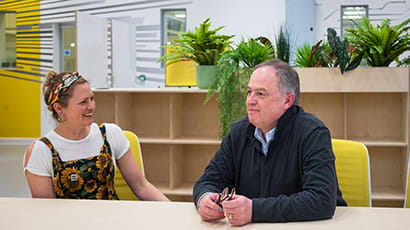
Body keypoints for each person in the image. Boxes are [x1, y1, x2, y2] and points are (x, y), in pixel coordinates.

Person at [193, 59, 346, 226]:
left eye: (260, 94)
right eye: (249, 92)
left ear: (287, 101)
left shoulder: (312, 133)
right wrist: (205, 198)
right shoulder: (239, 133)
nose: (250, 101)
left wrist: (254, 210)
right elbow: (208, 180)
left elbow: (321, 200)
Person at [23, 71, 169, 201]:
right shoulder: (42, 151)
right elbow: (46, 212)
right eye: (83, 102)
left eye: (92, 98)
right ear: (59, 108)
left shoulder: (110, 134)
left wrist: (173, 211)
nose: (92, 106)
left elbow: (141, 186)